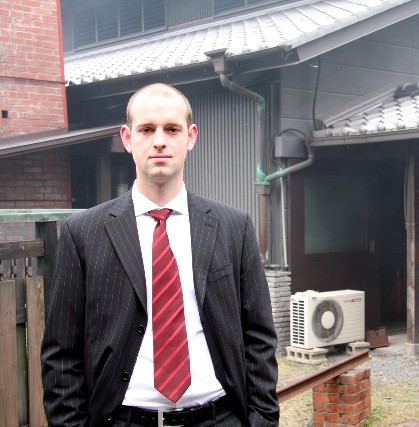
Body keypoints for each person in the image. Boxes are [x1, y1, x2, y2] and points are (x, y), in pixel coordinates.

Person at [41, 83, 279, 426]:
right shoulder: (83, 232)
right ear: (127, 138)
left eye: (172, 129)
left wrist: (263, 419)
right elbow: (61, 352)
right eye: (146, 129)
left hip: (220, 417)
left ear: (191, 136)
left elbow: (259, 335)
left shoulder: (233, 227)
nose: (159, 141)